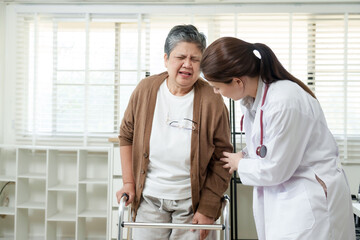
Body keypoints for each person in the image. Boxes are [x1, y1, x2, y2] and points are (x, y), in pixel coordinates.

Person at [200, 36, 356, 240]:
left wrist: (241, 163)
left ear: (238, 81)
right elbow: (267, 144)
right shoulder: (253, 101)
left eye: (217, 87)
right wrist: (245, 153)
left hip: (310, 199)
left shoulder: (285, 101)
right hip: (287, 198)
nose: (215, 92)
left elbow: (276, 168)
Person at [116, 25, 233, 240]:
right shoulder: (146, 89)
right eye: (181, 57)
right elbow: (126, 135)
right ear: (166, 59)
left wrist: (208, 207)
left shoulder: (212, 99)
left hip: (192, 204)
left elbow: (223, 158)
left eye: (195, 59)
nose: (187, 64)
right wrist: (129, 183)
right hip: (149, 200)